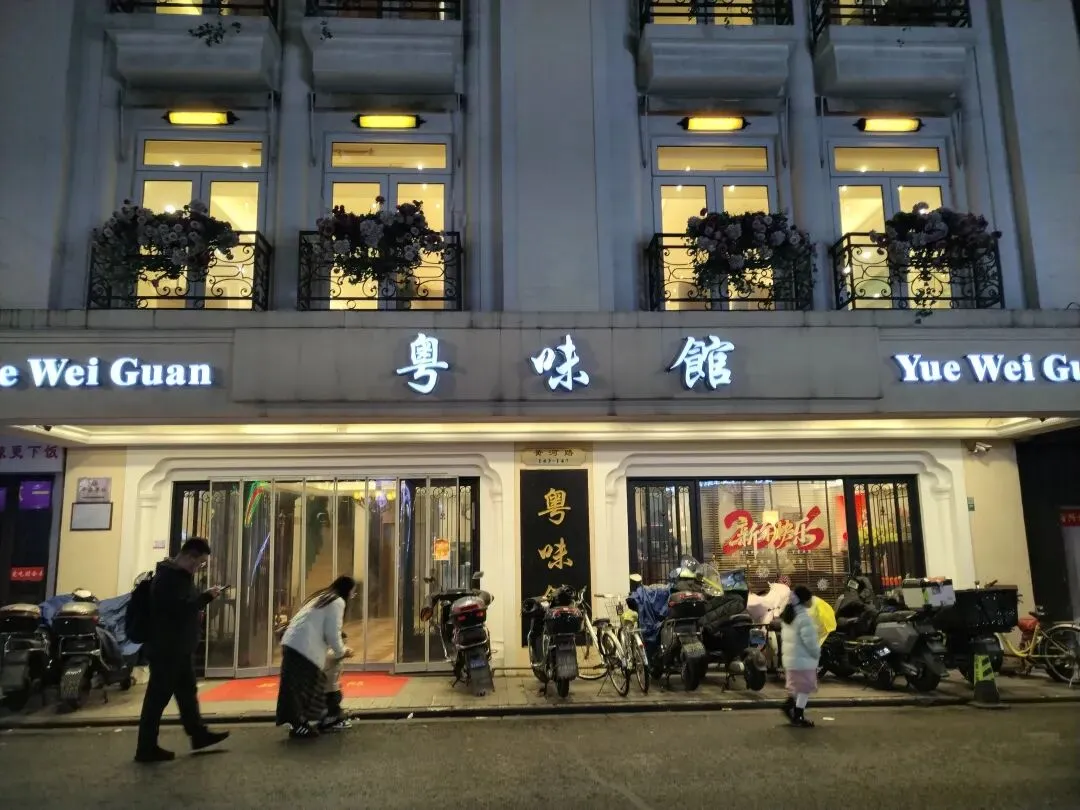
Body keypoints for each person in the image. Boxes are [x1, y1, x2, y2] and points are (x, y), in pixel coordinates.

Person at [135, 537, 230, 764]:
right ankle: (146, 748)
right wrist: (206, 597)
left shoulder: (176, 576)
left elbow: (184, 606)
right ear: (189, 556)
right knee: (157, 699)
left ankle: (198, 735)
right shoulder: (169, 579)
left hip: (178, 648)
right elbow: (179, 610)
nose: (199, 568)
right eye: (199, 563)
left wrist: (202, 599)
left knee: (187, 693)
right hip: (168, 649)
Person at [276, 576, 355, 738]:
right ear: (347, 591)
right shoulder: (337, 601)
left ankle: (304, 722)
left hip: (293, 644)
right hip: (303, 648)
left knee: (295, 688)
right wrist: (342, 651)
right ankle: (300, 725)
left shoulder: (321, 597)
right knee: (303, 688)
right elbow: (332, 633)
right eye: (353, 593)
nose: (352, 596)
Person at [780, 585, 821, 728]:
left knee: (796, 687)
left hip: (792, 659)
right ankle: (798, 715)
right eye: (810, 598)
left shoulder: (790, 616)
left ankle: (790, 705)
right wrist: (817, 652)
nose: (812, 600)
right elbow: (810, 642)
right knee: (804, 688)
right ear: (805, 600)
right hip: (803, 660)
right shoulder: (804, 618)